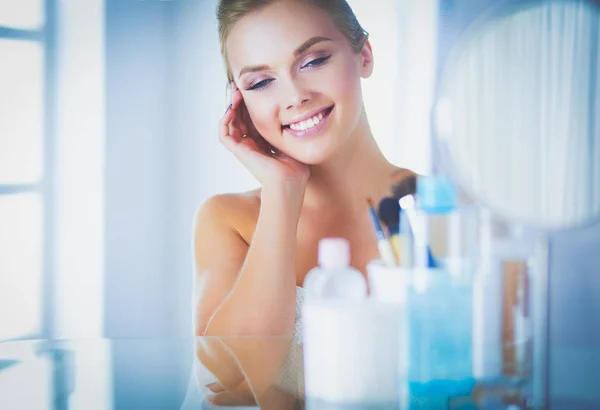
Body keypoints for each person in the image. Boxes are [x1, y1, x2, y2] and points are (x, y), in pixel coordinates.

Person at [191, 1, 415, 406]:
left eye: (313, 60)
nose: (295, 96)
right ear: (238, 101)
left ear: (363, 55)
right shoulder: (229, 219)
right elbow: (232, 381)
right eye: (260, 83)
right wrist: (282, 190)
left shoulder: (445, 212)